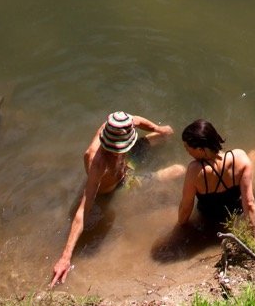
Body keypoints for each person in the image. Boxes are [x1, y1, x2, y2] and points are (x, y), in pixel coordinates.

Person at [49, 111, 175, 287]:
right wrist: (65, 257)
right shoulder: (97, 164)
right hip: (118, 187)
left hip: (125, 167)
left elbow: (137, 120)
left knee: (165, 136)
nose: (119, 151)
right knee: (178, 170)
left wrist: (159, 129)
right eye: (118, 149)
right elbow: (83, 210)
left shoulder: (117, 125)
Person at [176, 119, 255, 233]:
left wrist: (179, 227)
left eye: (187, 148)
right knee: (254, 156)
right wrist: (253, 235)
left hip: (209, 221)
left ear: (200, 150)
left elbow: (186, 208)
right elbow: (249, 203)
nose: (187, 152)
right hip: (235, 213)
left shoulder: (194, 170)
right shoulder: (240, 158)